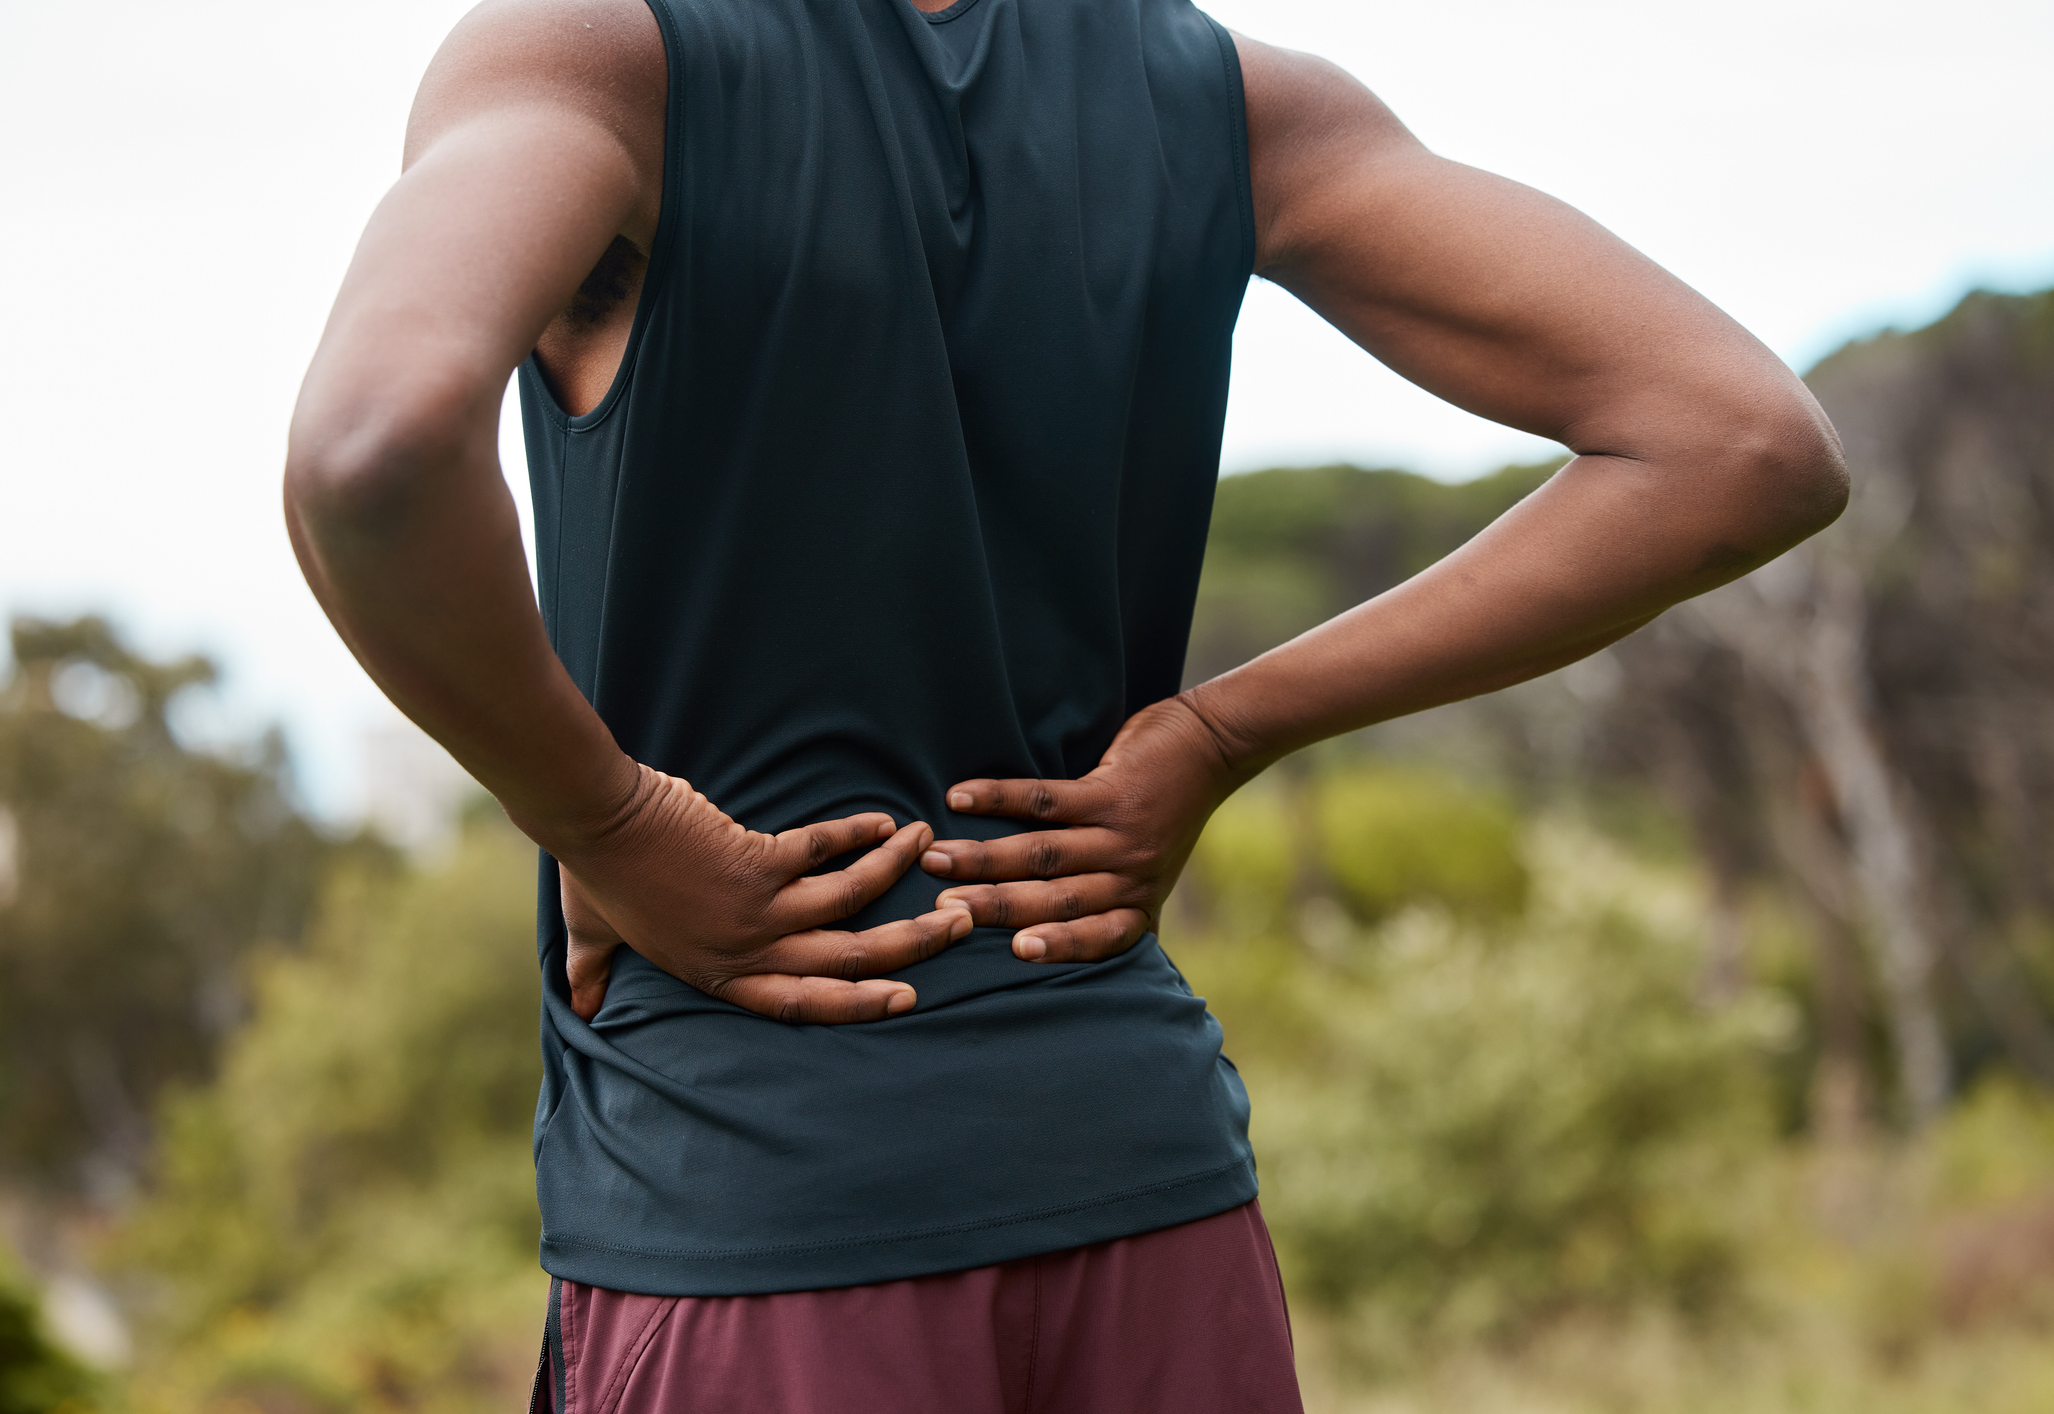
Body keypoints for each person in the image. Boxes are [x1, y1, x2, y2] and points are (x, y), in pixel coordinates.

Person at [283, 0, 1848, 1407]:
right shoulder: (1228, 100)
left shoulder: (599, 58)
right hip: (1150, 1202)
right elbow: (1741, 442)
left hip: (760, 1216)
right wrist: (1223, 728)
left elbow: (372, 451)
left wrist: (604, 817)